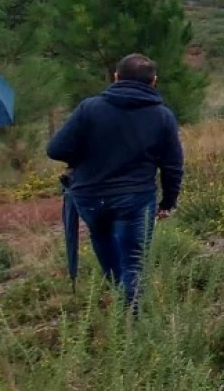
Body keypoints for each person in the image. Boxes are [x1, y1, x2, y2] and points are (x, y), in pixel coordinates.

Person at [48, 53, 184, 308]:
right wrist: (168, 202)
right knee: (133, 263)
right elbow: (172, 166)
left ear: (116, 77)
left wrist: (83, 156)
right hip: (135, 199)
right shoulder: (162, 116)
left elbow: (55, 149)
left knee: (109, 257)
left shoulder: (89, 108)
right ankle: (132, 322)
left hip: (89, 197)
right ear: (153, 82)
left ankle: (123, 312)